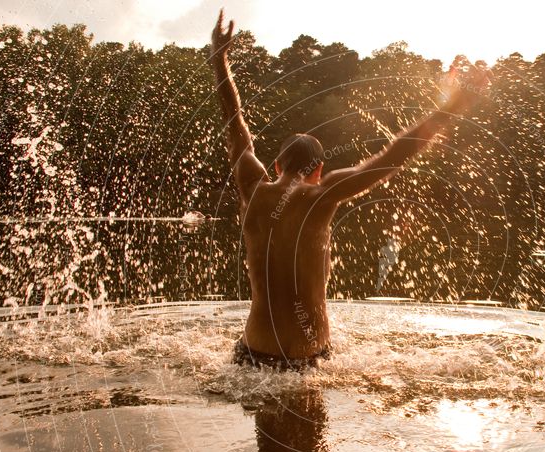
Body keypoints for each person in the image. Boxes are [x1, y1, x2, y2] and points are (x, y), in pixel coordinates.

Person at [210, 10, 490, 370]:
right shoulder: (323, 195)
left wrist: (219, 61)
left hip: (251, 353)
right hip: (307, 358)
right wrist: (453, 107)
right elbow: (395, 154)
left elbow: (236, 130)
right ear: (320, 169)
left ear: (277, 166)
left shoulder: (254, 188)